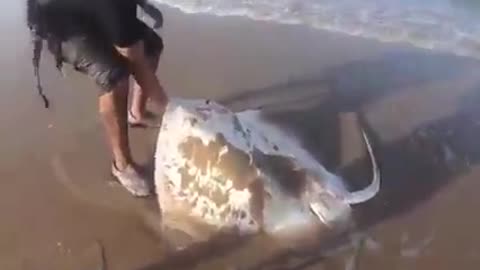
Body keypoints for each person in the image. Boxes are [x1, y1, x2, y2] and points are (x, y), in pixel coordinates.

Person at [26, 0, 168, 197]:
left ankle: (137, 113)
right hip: (60, 25)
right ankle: (122, 165)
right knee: (114, 75)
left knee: (152, 46)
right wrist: (172, 110)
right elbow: (132, 55)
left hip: (88, 8)